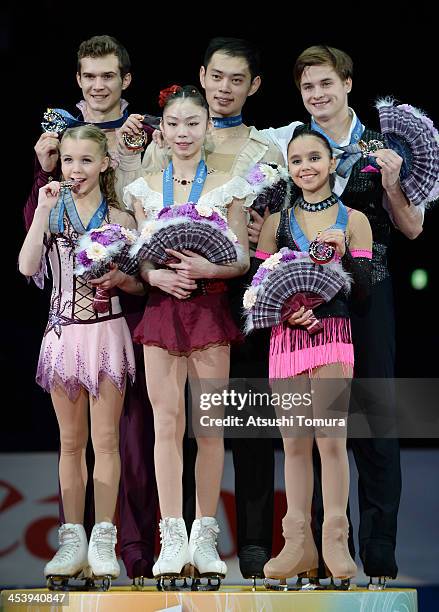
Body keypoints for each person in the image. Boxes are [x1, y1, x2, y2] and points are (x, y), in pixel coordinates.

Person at [117, 36, 283, 581]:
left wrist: (212, 270)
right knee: (167, 426)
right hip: (163, 312)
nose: (184, 133)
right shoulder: (143, 188)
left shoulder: (231, 186)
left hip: (212, 312)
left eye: (194, 123)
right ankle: (171, 539)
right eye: (175, 124)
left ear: (207, 129)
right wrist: (155, 273)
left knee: (209, 427)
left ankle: (206, 538)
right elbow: (140, 258)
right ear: (161, 131)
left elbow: (238, 255)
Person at [260, 45, 424, 584]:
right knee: (308, 432)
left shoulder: (383, 146)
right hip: (301, 307)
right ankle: (322, 553)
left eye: (326, 83)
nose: (317, 94)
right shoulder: (289, 146)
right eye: (308, 87)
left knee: (372, 420)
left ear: (348, 83)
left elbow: (413, 228)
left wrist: (395, 181)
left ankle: (376, 550)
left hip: (367, 294)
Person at [22, 34, 158, 582]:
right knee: (69, 444)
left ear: (105, 164)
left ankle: (108, 542)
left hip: (107, 333)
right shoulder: (51, 206)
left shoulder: (122, 217)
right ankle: (71, 542)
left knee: (110, 444)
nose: (75, 168)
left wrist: (122, 277)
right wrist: (40, 210)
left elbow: (140, 283)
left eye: (86, 160)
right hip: (61, 335)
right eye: (68, 159)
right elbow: (28, 267)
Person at [252, 127, 372, 587]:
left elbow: (364, 298)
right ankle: (296, 542)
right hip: (286, 340)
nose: (306, 166)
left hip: (334, 336)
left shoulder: (353, 219)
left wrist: (348, 258)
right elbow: (254, 290)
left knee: (331, 441)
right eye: (297, 159)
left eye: (314, 158)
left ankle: (336, 541)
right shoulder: (275, 223)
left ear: (330, 162)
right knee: (295, 444)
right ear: (289, 167)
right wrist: (287, 310)